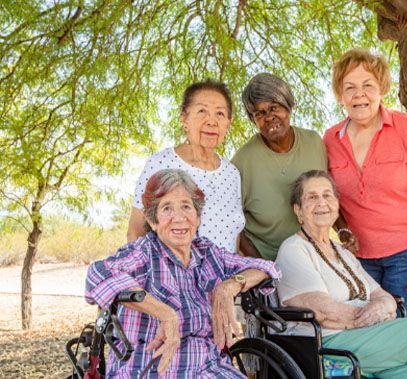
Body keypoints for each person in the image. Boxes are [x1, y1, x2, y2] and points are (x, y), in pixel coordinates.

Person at [86, 169, 280, 378]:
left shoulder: (208, 253)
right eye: (167, 208)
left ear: (197, 217)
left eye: (186, 207)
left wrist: (230, 285)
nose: (179, 218)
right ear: (153, 220)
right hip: (152, 367)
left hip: (209, 368)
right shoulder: (144, 253)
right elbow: (97, 274)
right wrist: (166, 314)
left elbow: (267, 268)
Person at [276, 171, 407, 379]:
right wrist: (373, 317)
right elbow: (324, 311)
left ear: (337, 205)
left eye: (327, 195)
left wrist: (383, 307)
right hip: (329, 343)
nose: (322, 202)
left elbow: (382, 296)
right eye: (312, 197)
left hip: (364, 337)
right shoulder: (294, 250)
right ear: (298, 210)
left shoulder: (342, 252)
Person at [323, 48, 407, 315]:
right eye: (350, 87)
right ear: (340, 96)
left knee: (405, 335)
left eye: (368, 85)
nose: (359, 94)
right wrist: (342, 231)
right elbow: (329, 198)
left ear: (381, 90)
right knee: (369, 337)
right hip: (358, 261)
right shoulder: (330, 139)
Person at [127, 80, 245, 253]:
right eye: (202, 111)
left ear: (228, 123)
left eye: (220, 114)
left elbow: (234, 235)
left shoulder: (232, 173)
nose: (211, 121)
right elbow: (135, 232)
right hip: (173, 277)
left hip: (226, 276)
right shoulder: (161, 163)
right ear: (185, 119)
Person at [232, 72, 328, 260]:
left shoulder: (314, 143)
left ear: (288, 105)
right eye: (259, 113)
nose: (269, 117)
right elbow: (232, 223)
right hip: (268, 260)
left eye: (274, 107)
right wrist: (262, 266)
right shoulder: (242, 161)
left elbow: (329, 195)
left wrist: (341, 231)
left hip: (314, 254)